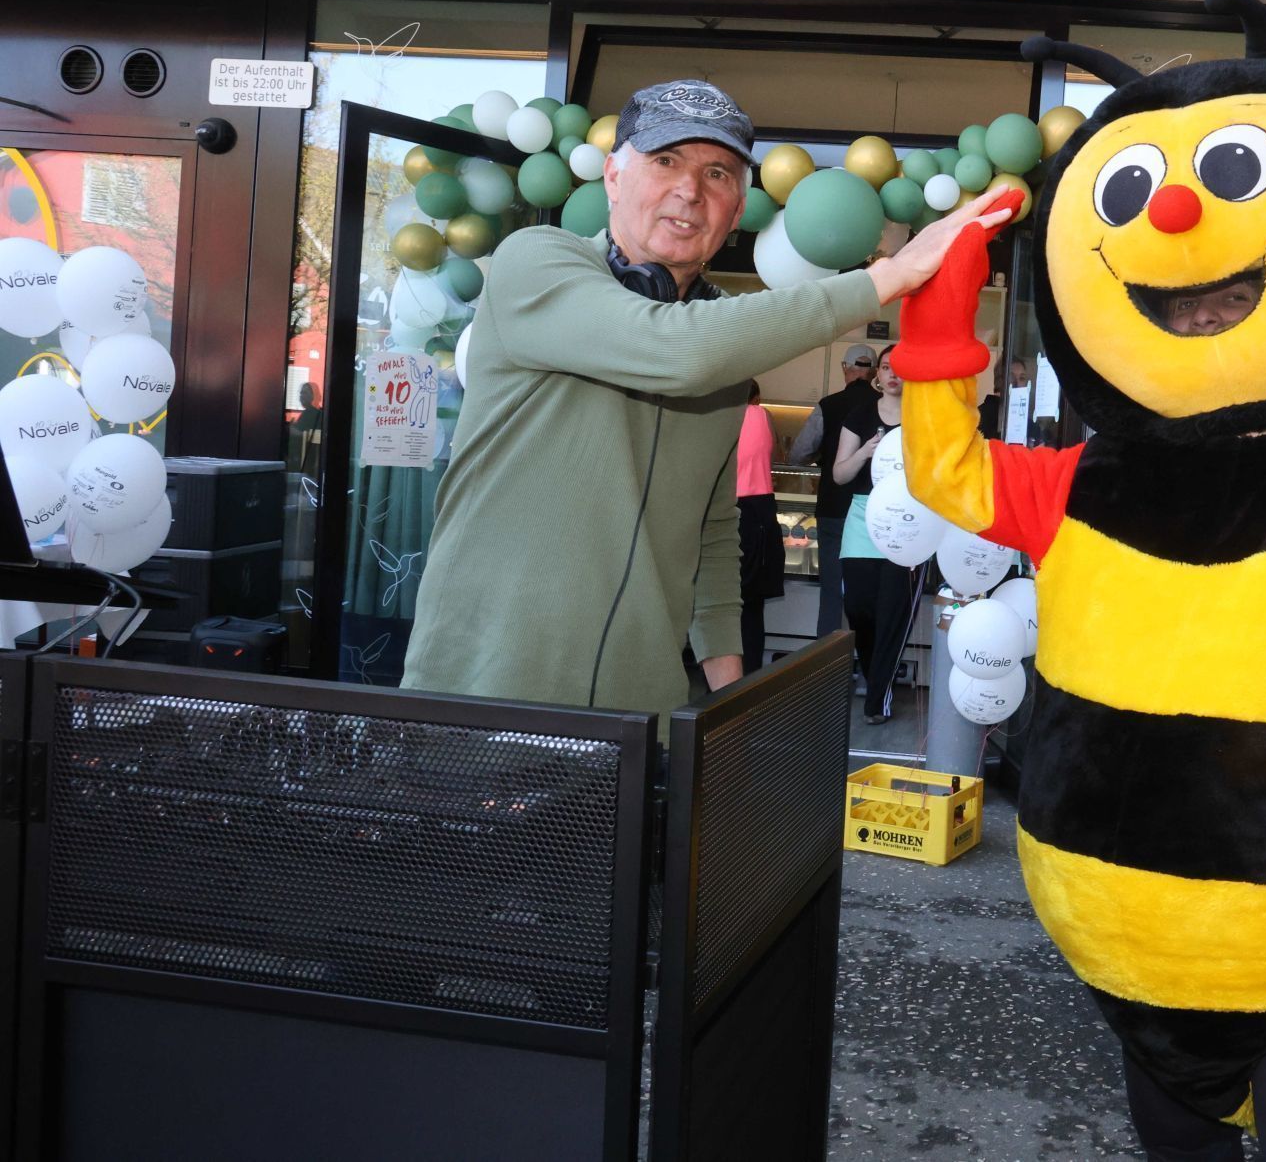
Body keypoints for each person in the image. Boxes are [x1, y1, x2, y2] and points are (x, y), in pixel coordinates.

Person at [402, 77, 1016, 716]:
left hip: (642, 716)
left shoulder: (722, 334)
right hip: (481, 692)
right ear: (613, 176)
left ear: (737, 206)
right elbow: (675, 349)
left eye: (718, 173)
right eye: (665, 160)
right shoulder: (537, 259)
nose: (689, 190)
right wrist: (886, 277)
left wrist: (729, 704)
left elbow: (714, 532)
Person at [832, 344, 920, 725]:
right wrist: (867, 451)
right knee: (860, 609)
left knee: (892, 615)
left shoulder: (924, 418)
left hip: (909, 524)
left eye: (900, 368)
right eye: (886, 367)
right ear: (877, 375)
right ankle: (875, 678)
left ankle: (877, 701)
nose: (893, 374)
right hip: (862, 519)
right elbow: (839, 474)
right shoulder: (859, 415)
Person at [787, 343, 877, 637]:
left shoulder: (828, 405)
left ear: (845, 368)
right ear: (875, 371)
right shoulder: (886, 406)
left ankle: (826, 670)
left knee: (831, 592)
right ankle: (868, 671)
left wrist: (823, 455)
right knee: (869, 593)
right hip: (874, 515)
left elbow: (798, 454)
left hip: (834, 509)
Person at [735, 379, 781, 674]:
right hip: (760, 511)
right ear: (757, 397)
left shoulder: (720, 419)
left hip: (726, 509)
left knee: (720, 603)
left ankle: (716, 679)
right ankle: (749, 677)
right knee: (752, 607)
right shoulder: (763, 416)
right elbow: (774, 455)